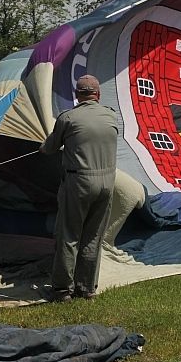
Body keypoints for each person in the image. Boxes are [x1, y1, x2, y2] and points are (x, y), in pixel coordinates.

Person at [39, 75, 118, 302]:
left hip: (79, 182)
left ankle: (62, 289)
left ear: (77, 95)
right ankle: (86, 288)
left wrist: (41, 147)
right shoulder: (111, 115)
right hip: (107, 183)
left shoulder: (69, 118)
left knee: (69, 234)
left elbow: (50, 147)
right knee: (94, 236)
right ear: (98, 95)